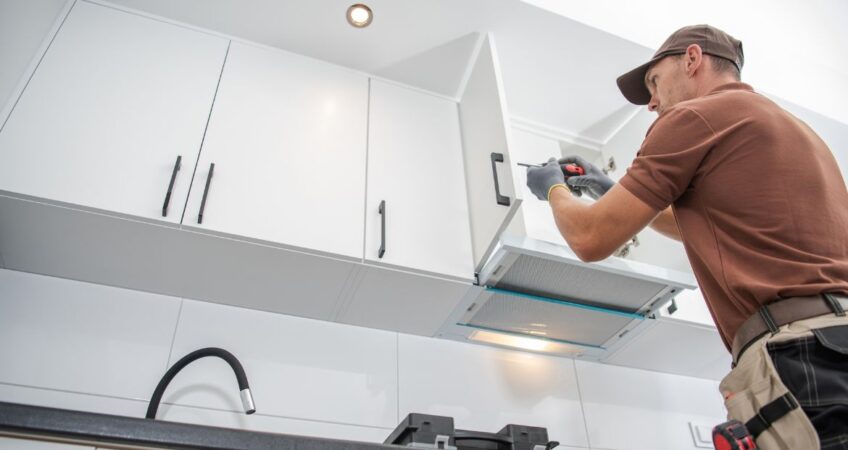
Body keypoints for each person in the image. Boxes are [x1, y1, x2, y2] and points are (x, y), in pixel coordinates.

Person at [526, 25, 848, 449]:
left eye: (654, 83)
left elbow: (590, 238)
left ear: (692, 59)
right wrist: (611, 190)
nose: (653, 103)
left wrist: (553, 188)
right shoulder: (798, 131)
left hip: (800, 354)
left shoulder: (694, 117)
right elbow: (710, 226)